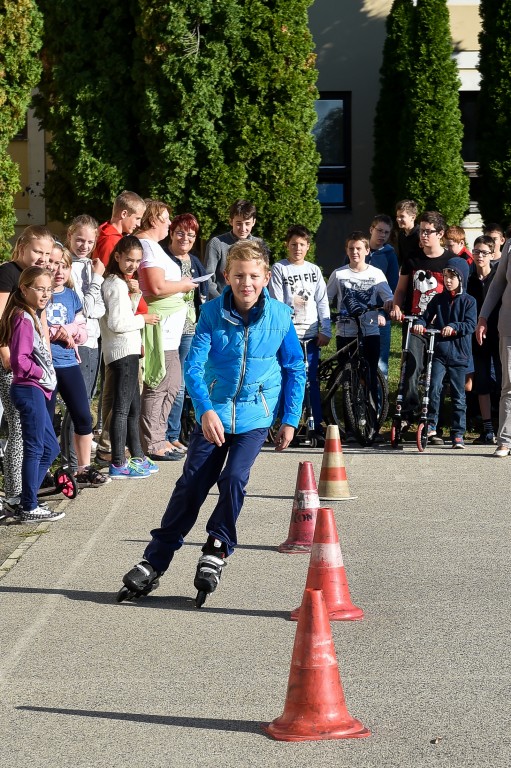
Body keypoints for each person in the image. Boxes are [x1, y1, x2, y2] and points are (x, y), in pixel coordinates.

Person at [118, 240, 305, 604]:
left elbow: (295, 368)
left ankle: (217, 548)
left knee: (234, 478)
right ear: (226, 276)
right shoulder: (211, 312)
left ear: (266, 277)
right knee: (192, 484)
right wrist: (204, 409)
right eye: (239, 276)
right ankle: (155, 561)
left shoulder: (280, 317)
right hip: (214, 412)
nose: (246, 283)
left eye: (253, 276)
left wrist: (290, 418)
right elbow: (194, 365)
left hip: (254, 415)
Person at [0, 267, 65, 522]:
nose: (45, 294)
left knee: (50, 447)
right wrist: (40, 373)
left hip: (36, 390)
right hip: (29, 389)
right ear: (24, 289)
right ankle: (29, 506)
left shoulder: (31, 315)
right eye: (39, 289)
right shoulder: (23, 318)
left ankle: (23, 499)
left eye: (49, 290)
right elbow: (19, 360)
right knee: (36, 447)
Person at [137, 200, 197, 461]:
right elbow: (156, 287)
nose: (169, 223)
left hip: (172, 331)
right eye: (165, 218)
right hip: (159, 328)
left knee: (172, 384)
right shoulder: (147, 246)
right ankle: (152, 443)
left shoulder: (155, 247)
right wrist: (183, 285)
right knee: (158, 385)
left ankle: (160, 437)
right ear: (153, 220)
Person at [46, 248, 110, 486]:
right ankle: (46, 472)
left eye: (63, 265)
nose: (58, 270)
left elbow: (82, 332)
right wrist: (57, 330)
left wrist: (70, 330)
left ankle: (83, 469)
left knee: (83, 415)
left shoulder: (72, 296)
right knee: (46, 421)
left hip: (69, 362)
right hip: (46, 365)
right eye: (53, 264)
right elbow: (34, 326)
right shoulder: (40, 293)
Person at [100, 236, 160, 479]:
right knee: (122, 409)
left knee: (134, 408)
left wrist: (134, 295)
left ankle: (137, 456)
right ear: (117, 257)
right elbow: (117, 323)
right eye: (129, 260)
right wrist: (143, 319)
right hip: (121, 352)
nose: (133, 265)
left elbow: (124, 314)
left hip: (128, 350)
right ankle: (118, 462)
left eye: (137, 261)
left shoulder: (122, 283)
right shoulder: (114, 284)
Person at [389, 211, 453, 428]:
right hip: (415, 323)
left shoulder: (450, 261)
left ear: (440, 234)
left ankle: (433, 421)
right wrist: (397, 306)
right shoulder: (412, 259)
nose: (423, 235)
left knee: (436, 375)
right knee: (412, 367)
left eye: (428, 231)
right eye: (422, 231)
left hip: (441, 326)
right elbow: (400, 289)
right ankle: (407, 413)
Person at [327, 231, 393, 442]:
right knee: (348, 381)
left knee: (370, 378)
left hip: (369, 331)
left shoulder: (376, 274)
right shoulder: (339, 274)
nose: (355, 252)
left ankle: (372, 426)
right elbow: (326, 299)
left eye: (358, 248)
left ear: (367, 250)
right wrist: (328, 317)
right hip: (346, 332)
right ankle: (350, 430)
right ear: (346, 251)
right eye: (351, 248)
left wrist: (385, 310)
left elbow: (388, 297)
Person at [268, 224, 330, 442]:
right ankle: (285, 424)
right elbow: (277, 302)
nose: (297, 248)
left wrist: (326, 329)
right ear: (287, 245)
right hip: (289, 333)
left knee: (310, 380)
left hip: (311, 334)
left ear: (308, 247)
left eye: (302, 245)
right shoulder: (280, 268)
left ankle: (315, 423)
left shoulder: (314, 270)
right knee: (288, 377)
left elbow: (322, 301)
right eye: (293, 244)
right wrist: (284, 331)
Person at [412, 257, 477, 449]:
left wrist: (454, 327)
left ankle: (458, 433)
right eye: (446, 276)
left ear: (461, 278)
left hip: (459, 355)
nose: (448, 281)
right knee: (433, 388)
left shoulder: (469, 301)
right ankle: (432, 424)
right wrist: (420, 324)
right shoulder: (438, 299)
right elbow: (424, 317)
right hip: (439, 353)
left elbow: (470, 325)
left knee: (458, 395)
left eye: (452, 277)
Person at [159, 213, 208, 454]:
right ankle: (160, 435)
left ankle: (173, 434)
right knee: (165, 382)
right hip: (166, 327)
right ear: (171, 233)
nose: (185, 238)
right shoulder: (162, 257)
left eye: (190, 235)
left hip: (189, 328)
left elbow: (203, 293)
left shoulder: (195, 261)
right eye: (180, 233)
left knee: (180, 384)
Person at [476, 237, 511, 457]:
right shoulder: (510, 245)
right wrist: (483, 317)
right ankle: (505, 440)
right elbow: (498, 283)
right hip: (509, 324)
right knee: (509, 383)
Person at [467, 235, 501, 444]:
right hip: (476, 337)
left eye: (484, 252)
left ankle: (502, 425)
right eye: (476, 251)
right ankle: (487, 428)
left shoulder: (499, 278)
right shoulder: (468, 279)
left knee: (502, 380)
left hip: (498, 333)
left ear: (492, 254)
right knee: (482, 382)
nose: (480, 256)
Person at [205, 199, 265, 299]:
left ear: (254, 222)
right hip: (223, 301)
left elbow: (262, 276)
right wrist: (219, 301)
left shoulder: (259, 244)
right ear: (230, 221)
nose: (243, 228)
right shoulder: (217, 243)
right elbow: (208, 277)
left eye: (247, 223)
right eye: (238, 223)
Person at [367, 214, 400, 377]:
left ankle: (380, 393)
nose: (382, 235)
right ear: (371, 229)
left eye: (386, 232)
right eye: (379, 230)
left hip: (381, 313)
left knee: (381, 362)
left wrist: (383, 311)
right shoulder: (358, 250)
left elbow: (393, 286)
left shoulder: (389, 255)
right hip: (359, 312)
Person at [94, 191, 147, 266]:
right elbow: (107, 271)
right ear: (124, 214)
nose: (138, 224)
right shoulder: (111, 240)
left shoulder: (105, 230)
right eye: (137, 218)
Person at [395, 199, 421, 267]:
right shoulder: (401, 234)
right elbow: (401, 257)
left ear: (413, 217)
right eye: (397, 216)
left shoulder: (420, 235)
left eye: (402, 216)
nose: (398, 219)